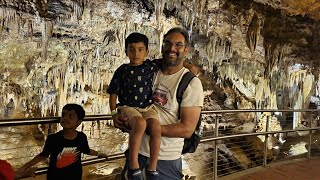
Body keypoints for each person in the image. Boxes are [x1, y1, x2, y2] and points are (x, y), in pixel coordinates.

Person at [114, 27, 204, 180]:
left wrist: (144, 128)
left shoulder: (191, 83)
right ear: (162, 46)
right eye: (168, 43)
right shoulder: (150, 70)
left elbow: (187, 129)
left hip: (165, 159)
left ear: (186, 50)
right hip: (136, 154)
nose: (172, 48)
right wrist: (120, 118)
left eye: (178, 45)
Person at [107, 32, 162, 180]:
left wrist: (189, 66)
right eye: (131, 49)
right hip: (127, 107)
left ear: (146, 52)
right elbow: (113, 94)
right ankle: (133, 166)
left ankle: (152, 168)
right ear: (126, 51)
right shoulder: (122, 70)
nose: (136, 53)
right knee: (139, 123)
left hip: (147, 108)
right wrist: (113, 114)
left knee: (156, 127)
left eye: (140, 49)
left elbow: (168, 62)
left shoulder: (151, 66)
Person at [16, 103, 108, 180]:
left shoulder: (81, 137)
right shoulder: (53, 138)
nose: (65, 118)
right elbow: (43, 155)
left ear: (79, 122)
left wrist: (99, 154)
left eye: (70, 116)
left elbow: (86, 150)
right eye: (63, 115)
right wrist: (24, 167)